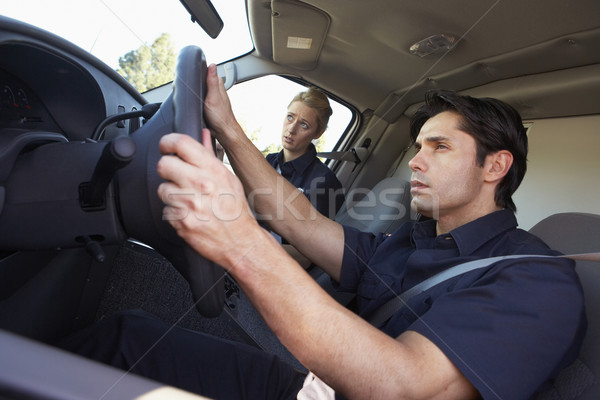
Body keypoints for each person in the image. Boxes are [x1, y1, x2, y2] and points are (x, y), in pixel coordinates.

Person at [60, 64, 586, 399]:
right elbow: (303, 222)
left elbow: (406, 387)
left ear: (495, 167)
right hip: (320, 384)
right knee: (126, 333)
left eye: (439, 148)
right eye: (418, 147)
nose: (416, 164)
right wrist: (226, 126)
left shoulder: (535, 280)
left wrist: (241, 241)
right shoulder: (416, 238)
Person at [265, 87, 344, 220]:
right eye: (290, 117)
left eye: (304, 125)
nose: (291, 129)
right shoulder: (269, 161)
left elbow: (316, 237)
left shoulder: (325, 181)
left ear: (319, 133)